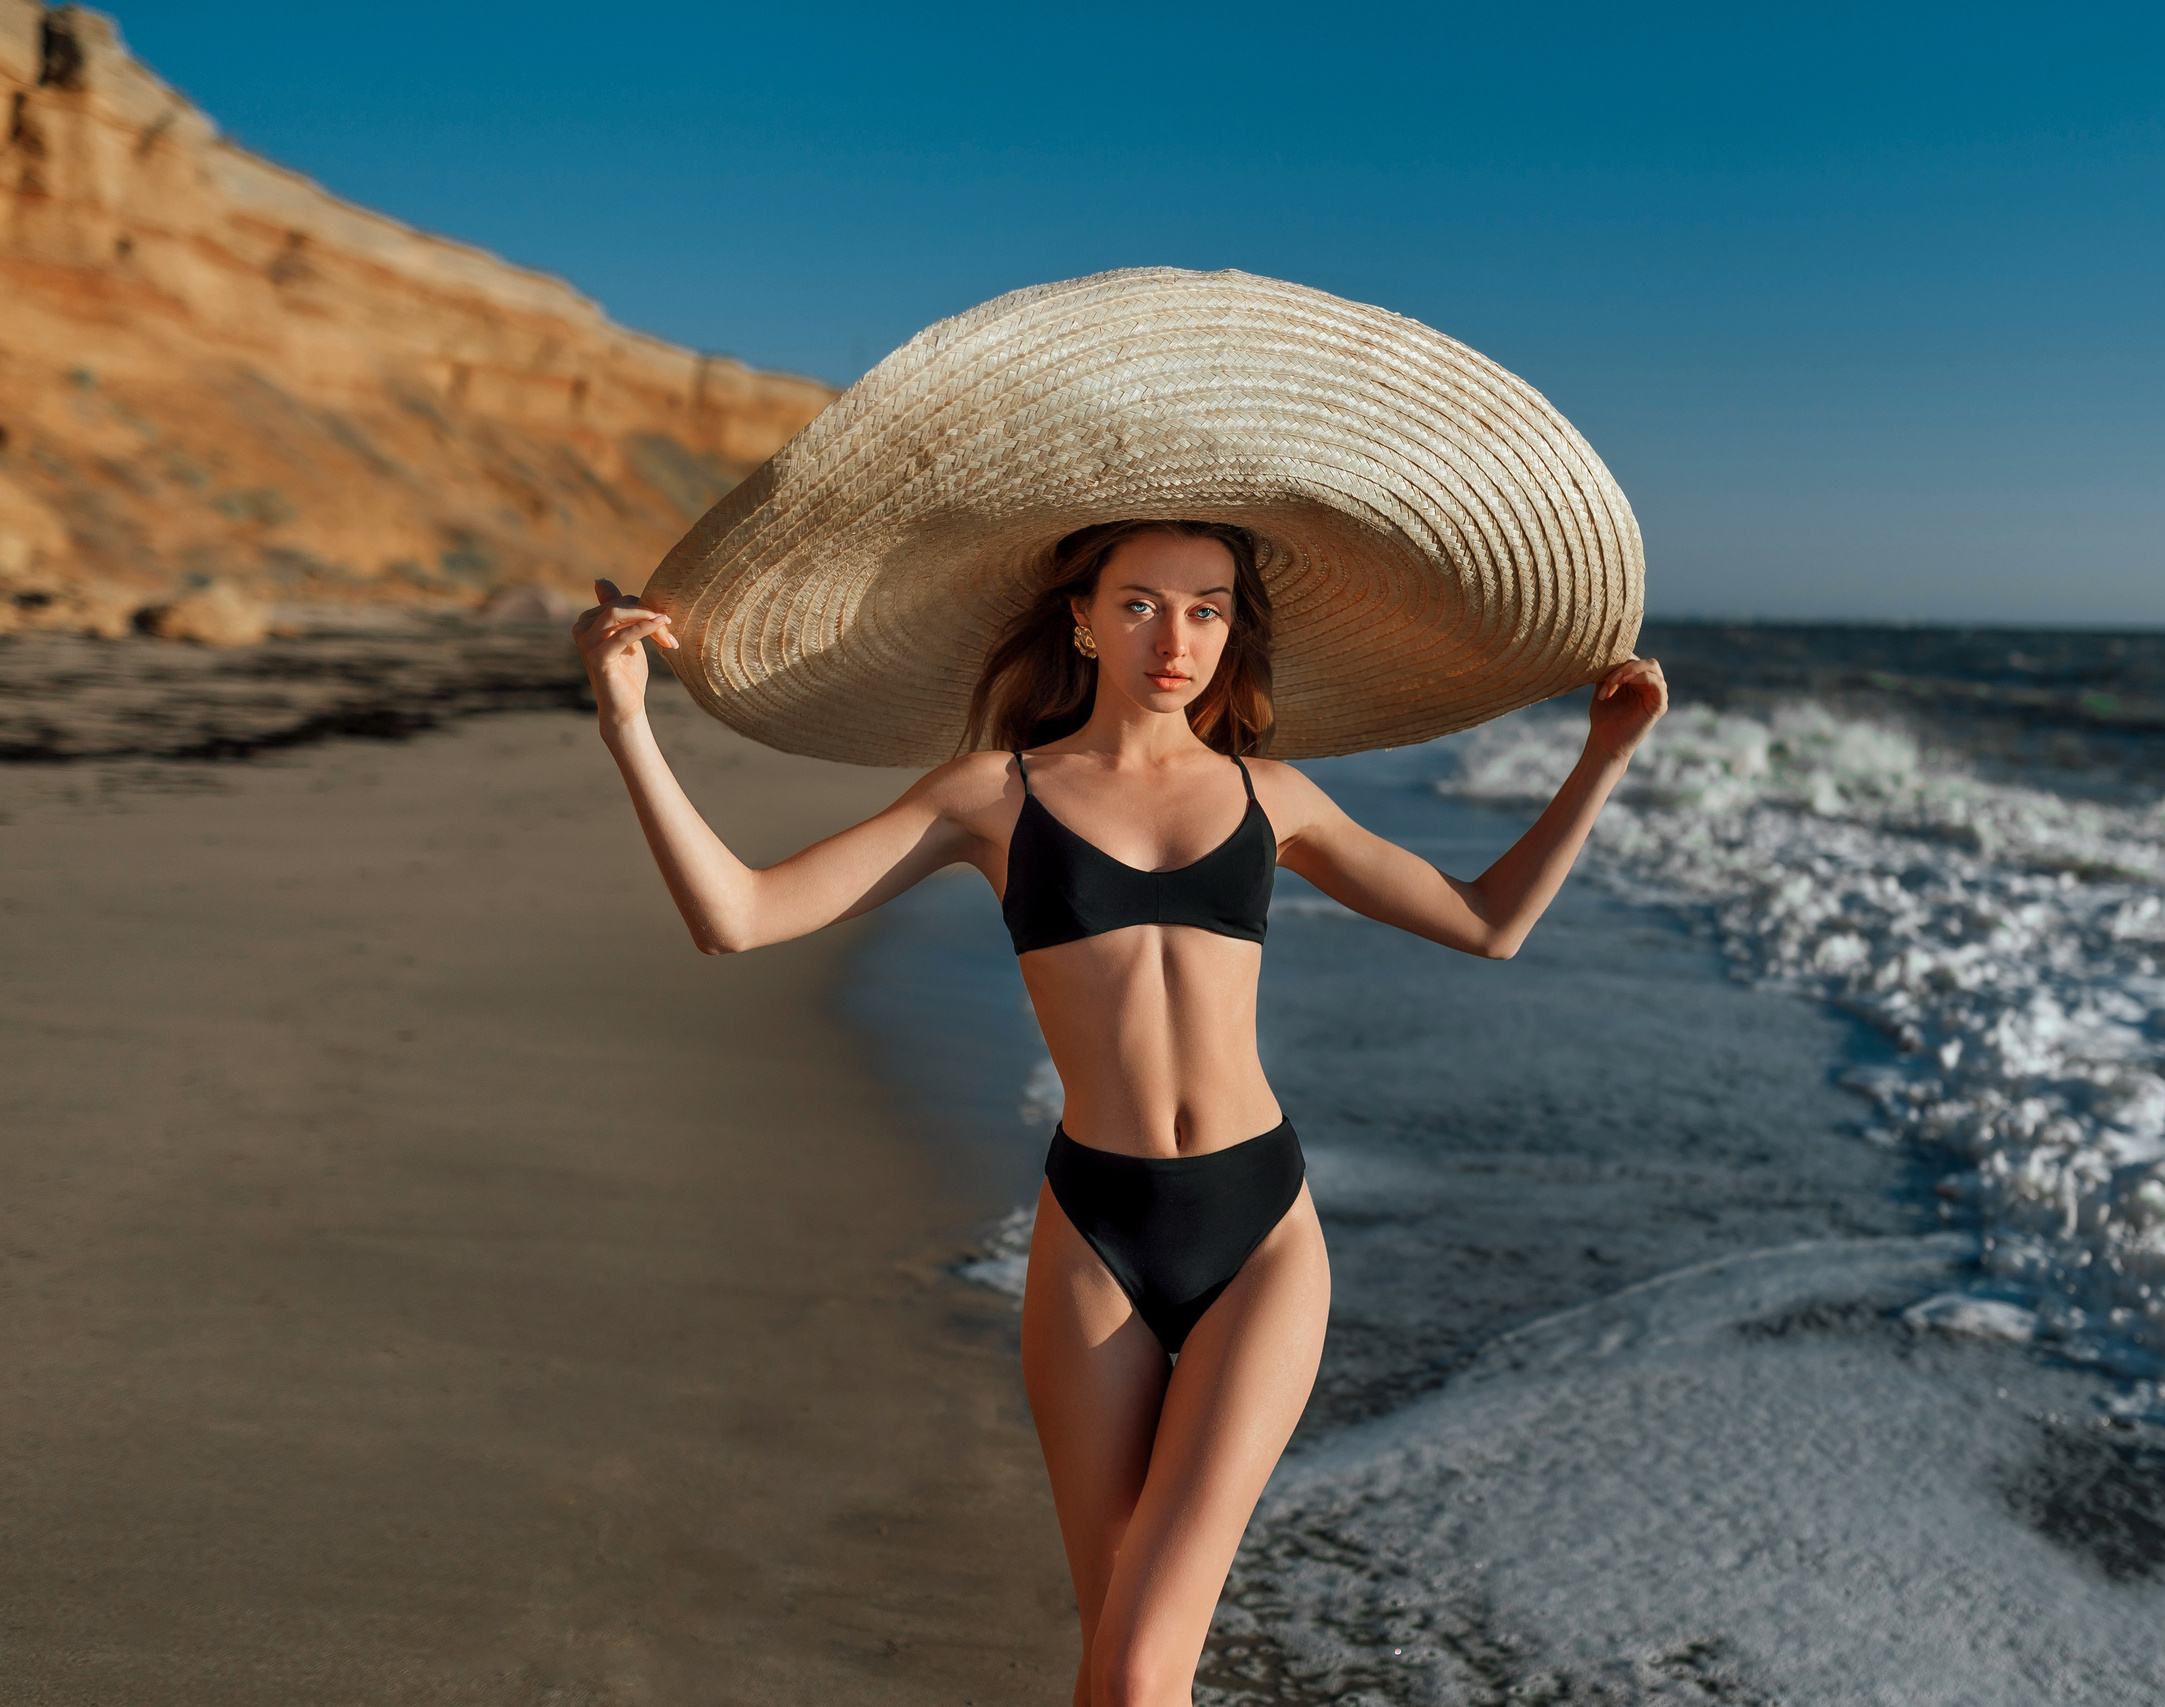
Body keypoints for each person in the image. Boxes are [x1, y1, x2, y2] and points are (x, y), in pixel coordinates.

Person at [577, 266, 1660, 1706]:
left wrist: (1602, 759)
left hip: (1259, 1229)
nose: (1176, 639)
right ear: (1081, 619)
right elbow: (741, 916)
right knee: (1119, 1673)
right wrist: (625, 726)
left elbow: (1488, 923)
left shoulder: (1277, 795)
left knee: (1142, 1672)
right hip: (1092, 1233)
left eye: (1207, 610)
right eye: (1142, 604)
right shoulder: (989, 795)